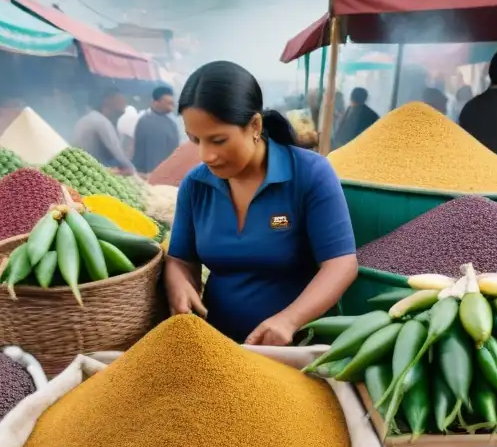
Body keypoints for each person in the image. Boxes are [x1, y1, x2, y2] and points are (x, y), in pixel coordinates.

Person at [166, 61, 358, 345]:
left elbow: (341, 264)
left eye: (218, 140)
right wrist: (179, 283)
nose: (206, 155)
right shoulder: (196, 185)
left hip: (298, 347)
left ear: (254, 125)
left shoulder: (309, 173)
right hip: (218, 348)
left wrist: (289, 320)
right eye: (196, 140)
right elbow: (180, 259)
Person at [72, 88, 135, 173]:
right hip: (89, 172)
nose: (124, 103)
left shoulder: (89, 118)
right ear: (107, 101)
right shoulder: (101, 122)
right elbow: (119, 156)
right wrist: (134, 172)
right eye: (120, 99)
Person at [132, 86, 180, 174]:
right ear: (155, 102)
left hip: (168, 173)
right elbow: (146, 154)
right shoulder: (146, 122)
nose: (171, 106)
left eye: (172, 103)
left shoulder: (171, 123)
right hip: (148, 174)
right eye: (168, 103)